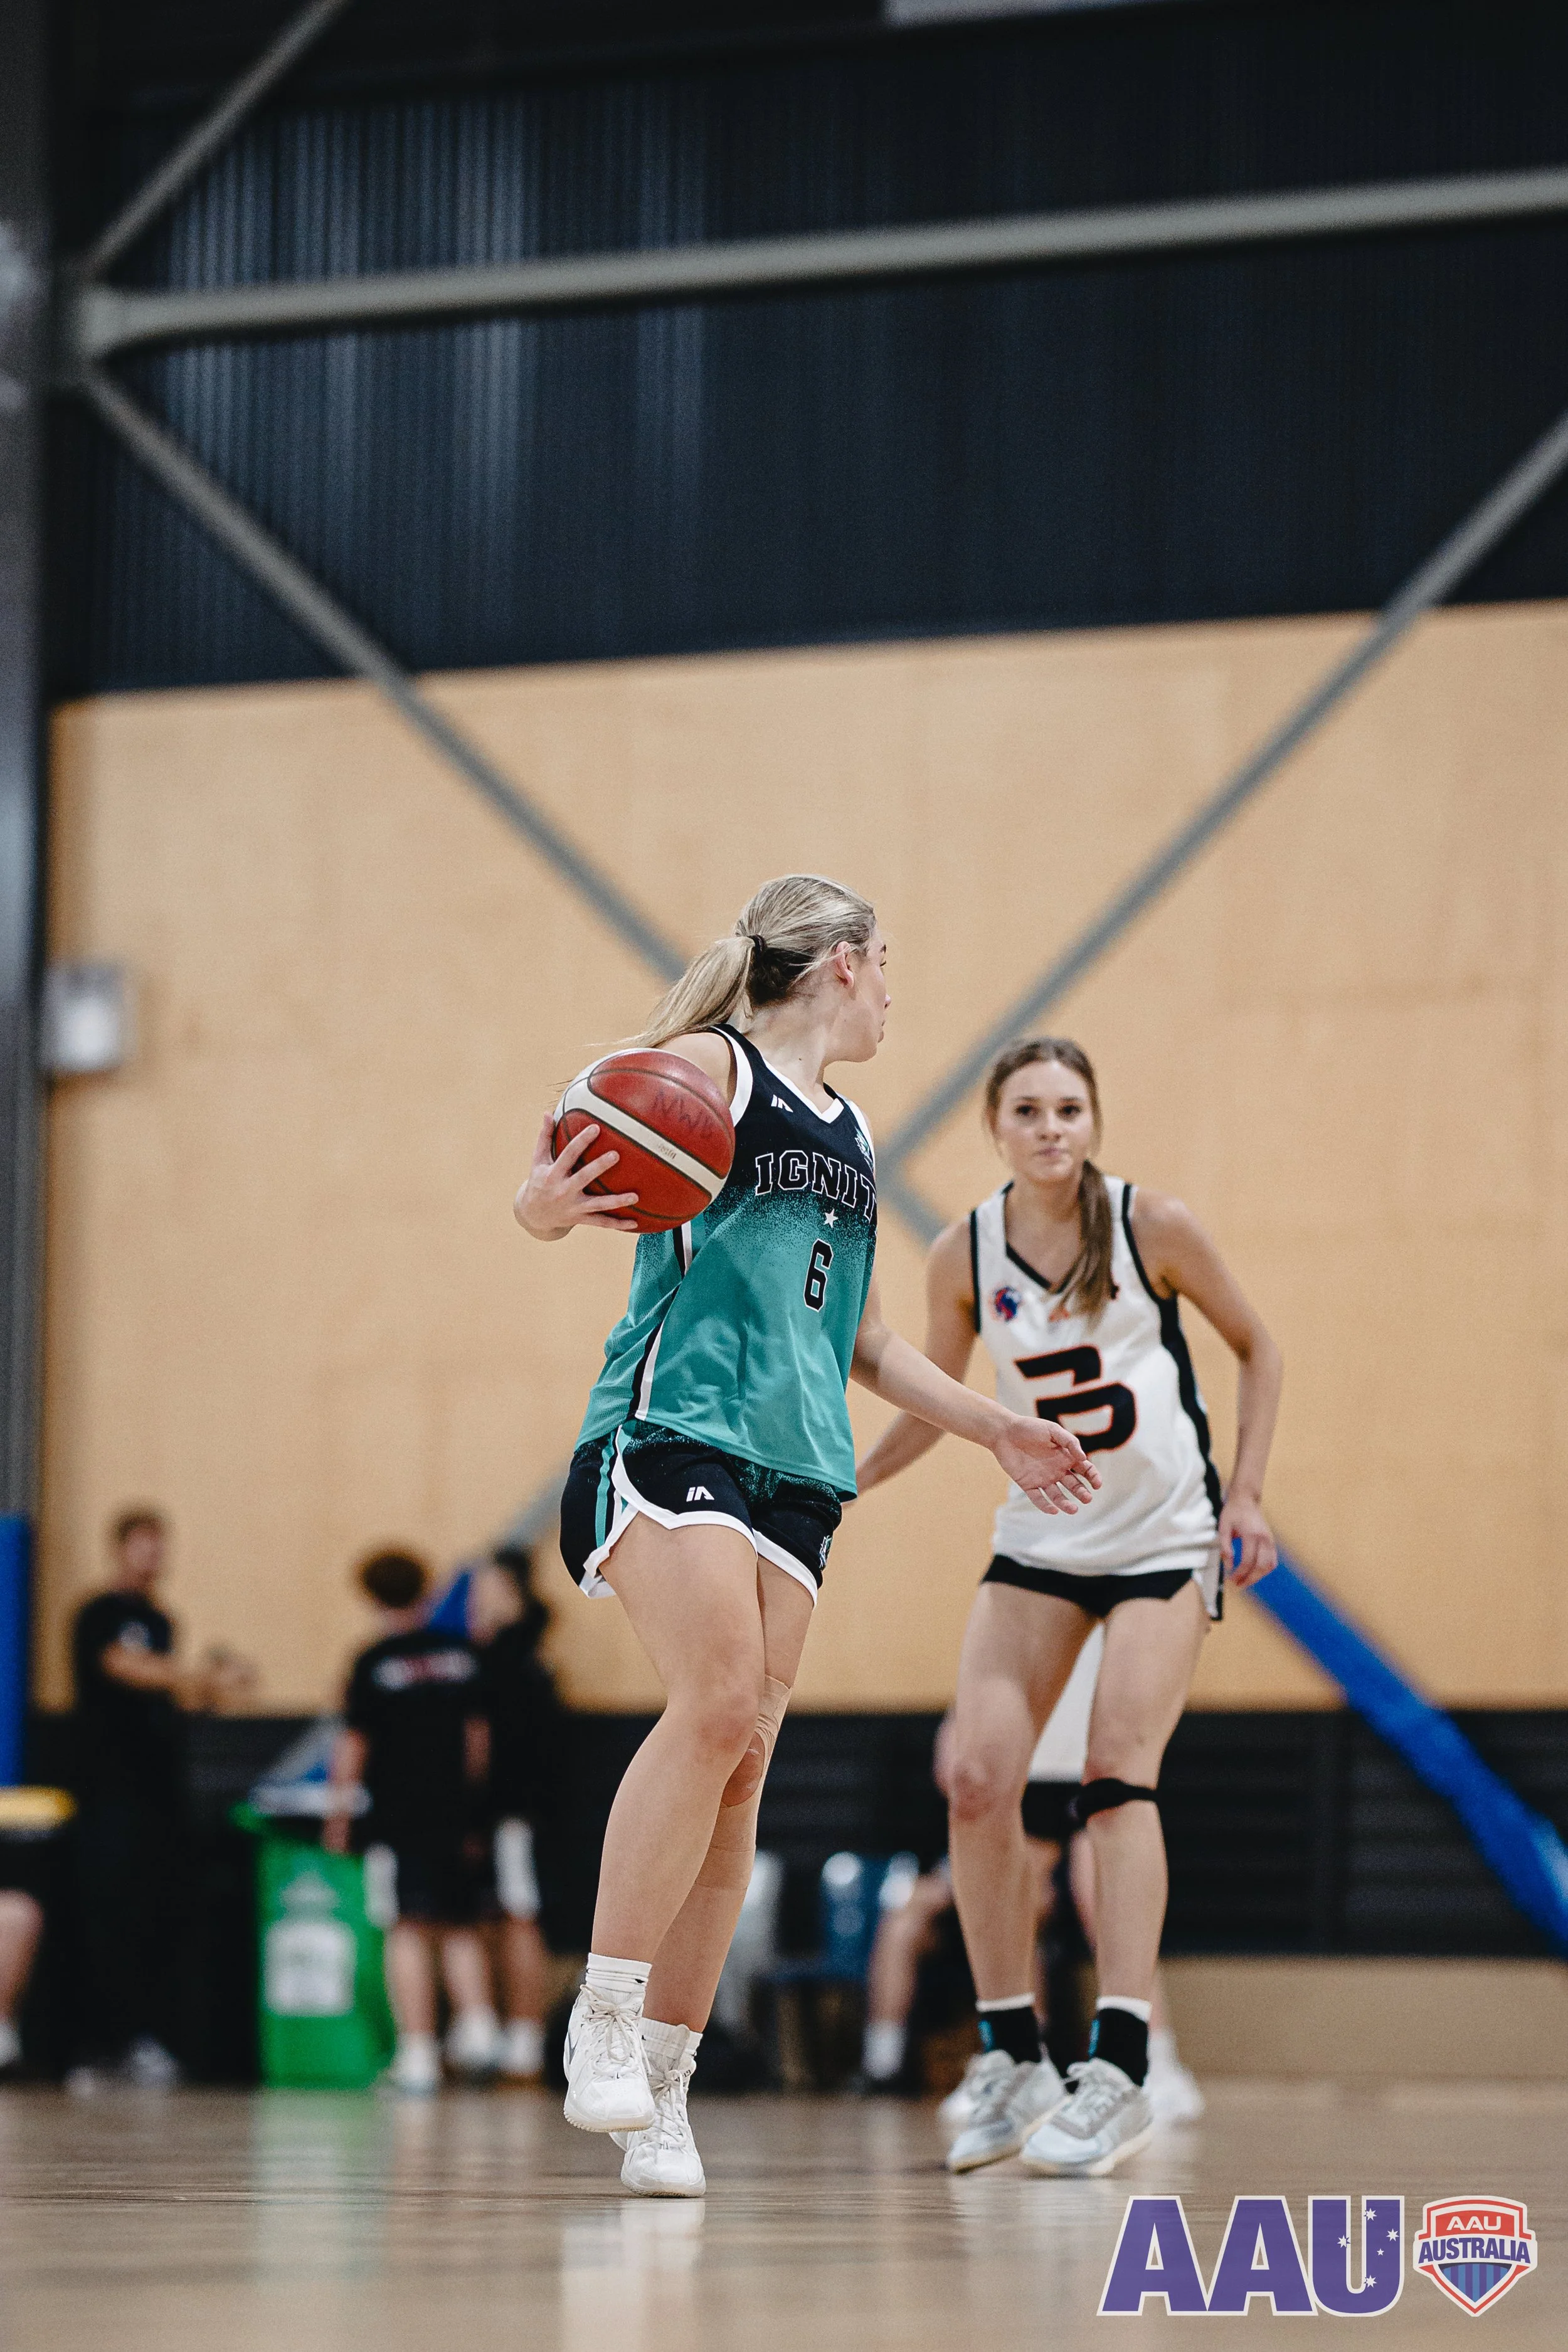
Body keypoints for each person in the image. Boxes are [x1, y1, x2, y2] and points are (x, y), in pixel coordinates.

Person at [512, 875, 1098, 2198]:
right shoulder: (701, 1069)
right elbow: (554, 1179)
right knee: (715, 1703)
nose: (894, 990)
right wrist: (540, 1213)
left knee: (741, 1773)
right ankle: (600, 2014)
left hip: (796, 1466)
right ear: (839, 965)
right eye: (886, 964)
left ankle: (662, 2087)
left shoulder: (851, 1130)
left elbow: (869, 1340)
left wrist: (993, 1425)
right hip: (671, 1427)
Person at [857, 1036, 1281, 2176]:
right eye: (1030, 1110)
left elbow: (1259, 1348)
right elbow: (937, 1402)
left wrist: (1244, 1495)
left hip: (1163, 1540)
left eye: (1071, 1109)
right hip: (1043, 1542)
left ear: (1096, 1121)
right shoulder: (965, 1251)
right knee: (978, 1777)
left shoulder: (1154, 1226)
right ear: (996, 1125)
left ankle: (1129, 2066)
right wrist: (843, 1480)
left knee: (1112, 1777)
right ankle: (1012, 2054)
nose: (1052, 1128)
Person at [70, 1507, 253, 2086]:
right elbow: (124, 1668)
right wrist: (195, 1676)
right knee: (108, 1917)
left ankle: (143, 2040)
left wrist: (210, 1689)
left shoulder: (162, 1619)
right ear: (120, 1550)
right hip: (109, 1794)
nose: (154, 1557)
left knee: (156, 1918)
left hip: (159, 1794)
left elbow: (172, 1698)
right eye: (143, 1546)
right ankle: (97, 2046)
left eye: (160, 1546)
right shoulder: (99, 1614)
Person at [326, 1551, 499, 2095]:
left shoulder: (372, 1662)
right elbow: (478, 1742)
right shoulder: (462, 1656)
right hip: (455, 1812)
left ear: (373, 1598)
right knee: (460, 1923)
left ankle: (419, 2052)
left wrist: (338, 1815)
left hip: (397, 1817)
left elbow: (353, 1744)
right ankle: (478, 2025)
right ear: (424, 1591)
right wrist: (473, 1805)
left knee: (406, 1926)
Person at [472, 1542, 563, 2081]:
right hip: (513, 1812)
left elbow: (490, 1748)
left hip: (515, 1813)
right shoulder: (519, 1657)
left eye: (486, 1590)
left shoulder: (508, 1663)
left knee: (520, 1915)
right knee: (503, 1915)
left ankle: (526, 2034)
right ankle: (513, 2031)